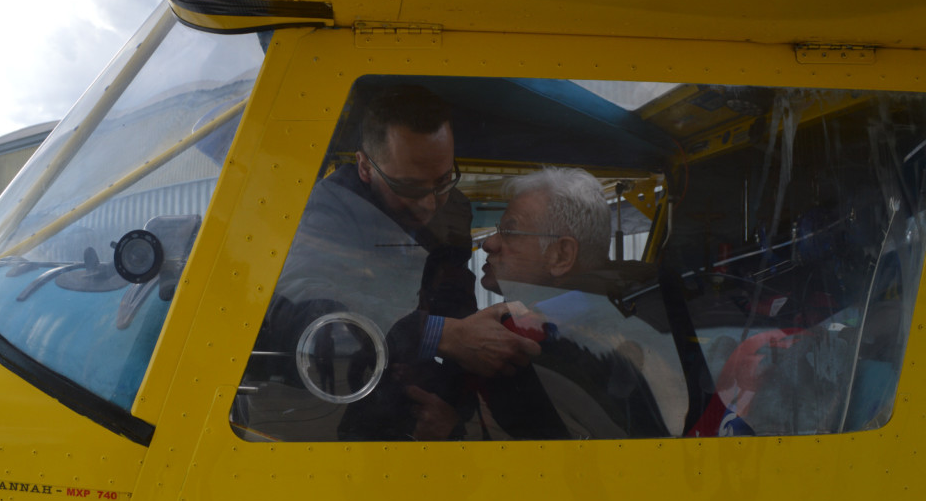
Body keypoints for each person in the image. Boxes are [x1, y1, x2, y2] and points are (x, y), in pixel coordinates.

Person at [250, 85, 538, 440]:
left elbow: (454, 306)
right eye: (409, 187)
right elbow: (304, 306)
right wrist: (438, 334)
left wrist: (454, 408)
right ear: (365, 167)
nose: (430, 203)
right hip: (331, 406)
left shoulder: (452, 208)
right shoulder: (328, 210)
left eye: (443, 180)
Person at [476, 167, 684, 438]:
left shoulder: (543, 341)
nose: (489, 243)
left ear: (562, 256)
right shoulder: (634, 314)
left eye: (509, 231)